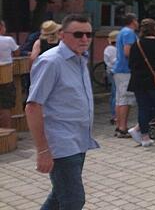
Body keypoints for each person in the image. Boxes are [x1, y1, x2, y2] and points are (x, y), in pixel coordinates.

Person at [26, 14, 98, 209]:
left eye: (88, 34)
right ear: (61, 35)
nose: (84, 39)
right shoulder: (51, 62)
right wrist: (43, 150)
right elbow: (33, 107)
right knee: (73, 200)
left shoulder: (80, 58)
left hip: (79, 140)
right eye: (78, 34)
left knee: (59, 196)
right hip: (61, 144)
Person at [126, 18, 155, 147]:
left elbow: (131, 64)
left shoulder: (136, 45)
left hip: (139, 81)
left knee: (143, 107)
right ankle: (139, 129)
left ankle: (144, 136)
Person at [114, 14, 138, 139]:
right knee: (125, 99)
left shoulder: (122, 32)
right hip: (126, 69)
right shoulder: (129, 33)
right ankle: (123, 128)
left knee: (119, 99)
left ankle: (119, 125)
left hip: (119, 69)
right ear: (133, 21)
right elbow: (128, 51)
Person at [0, 20, 20, 129]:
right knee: (5, 106)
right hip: (6, 76)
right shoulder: (8, 40)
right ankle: (7, 131)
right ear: (1, 27)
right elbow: (17, 52)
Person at [104, 30, 119, 126]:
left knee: (114, 94)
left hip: (111, 71)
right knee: (115, 93)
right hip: (114, 72)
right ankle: (115, 115)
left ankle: (115, 114)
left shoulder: (109, 48)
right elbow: (114, 61)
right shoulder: (112, 49)